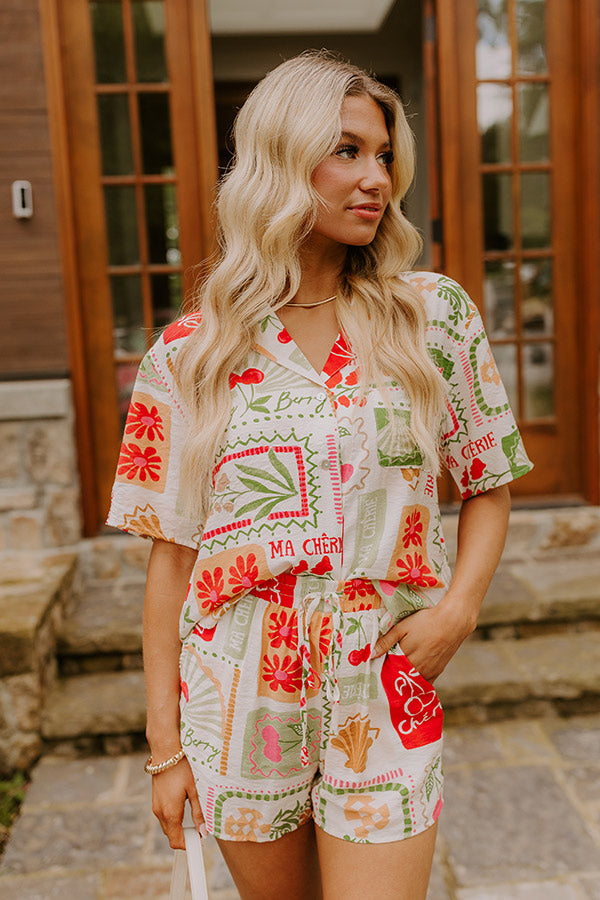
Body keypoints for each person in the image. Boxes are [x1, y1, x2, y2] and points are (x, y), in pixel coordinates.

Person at [107, 51, 532, 900]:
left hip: (381, 677)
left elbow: (490, 478)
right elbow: (172, 556)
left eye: (384, 156)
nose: (376, 178)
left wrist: (458, 610)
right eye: (347, 151)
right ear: (281, 159)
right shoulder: (191, 354)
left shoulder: (431, 315)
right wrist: (165, 748)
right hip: (238, 693)